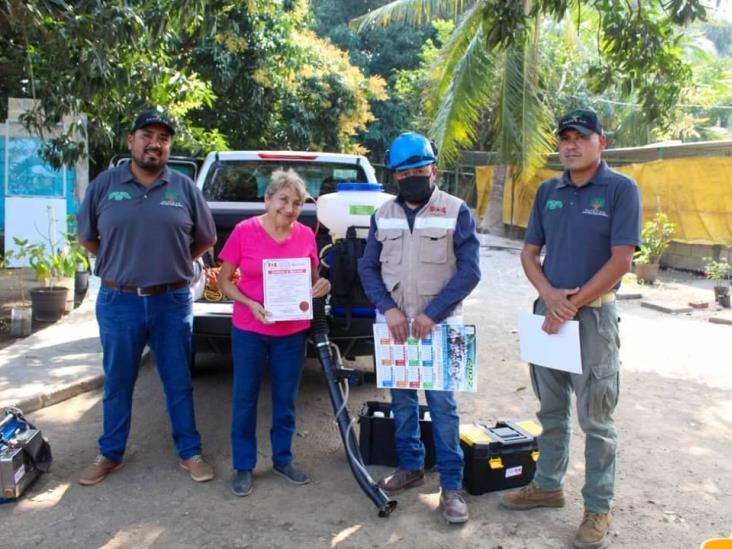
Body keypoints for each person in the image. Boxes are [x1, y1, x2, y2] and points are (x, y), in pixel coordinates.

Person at [500, 109, 641, 549]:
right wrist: (552, 298)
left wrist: (571, 303)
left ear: (602, 141)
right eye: (564, 138)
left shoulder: (620, 190)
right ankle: (547, 485)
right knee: (551, 409)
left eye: (581, 137)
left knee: (596, 419)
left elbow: (621, 260)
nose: (571, 145)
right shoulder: (548, 191)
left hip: (593, 319)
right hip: (549, 316)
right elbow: (528, 254)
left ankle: (598, 508)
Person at [77, 109, 217, 485]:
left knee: (177, 380)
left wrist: (172, 263)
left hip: (171, 301)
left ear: (169, 146)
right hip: (118, 301)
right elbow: (89, 238)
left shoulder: (184, 188)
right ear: (131, 141)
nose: (155, 143)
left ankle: (190, 452)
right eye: (147, 135)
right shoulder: (104, 185)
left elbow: (206, 240)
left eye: (164, 138)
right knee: (118, 381)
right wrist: (120, 262)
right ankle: (110, 453)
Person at [358, 131, 481, 524]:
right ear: (394, 176)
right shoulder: (382, 214)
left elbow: (470, 271)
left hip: (444, 327)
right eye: (403, 171)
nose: (412, 175)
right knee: (402, 400)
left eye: (419, 168)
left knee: (444, 407)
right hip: (393, 325)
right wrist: (389, 310)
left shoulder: (457, 210)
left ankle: (451, 485)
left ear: (434, 169)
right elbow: (367, 267)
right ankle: (411, 466)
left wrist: (434, 314)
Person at [216, 169, 331, 497]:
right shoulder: (244, 231)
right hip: (249, 328)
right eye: (283, 199)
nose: (289, 207)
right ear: (267, 200)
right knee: (244, 398)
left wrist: (323, 286)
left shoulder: (307, 235)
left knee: (285, 399)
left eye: (296, 203)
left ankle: (283, 459)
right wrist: (249, 303)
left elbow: (312, 283)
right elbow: (224, 281)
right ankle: (243, 465)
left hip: (291, 332)